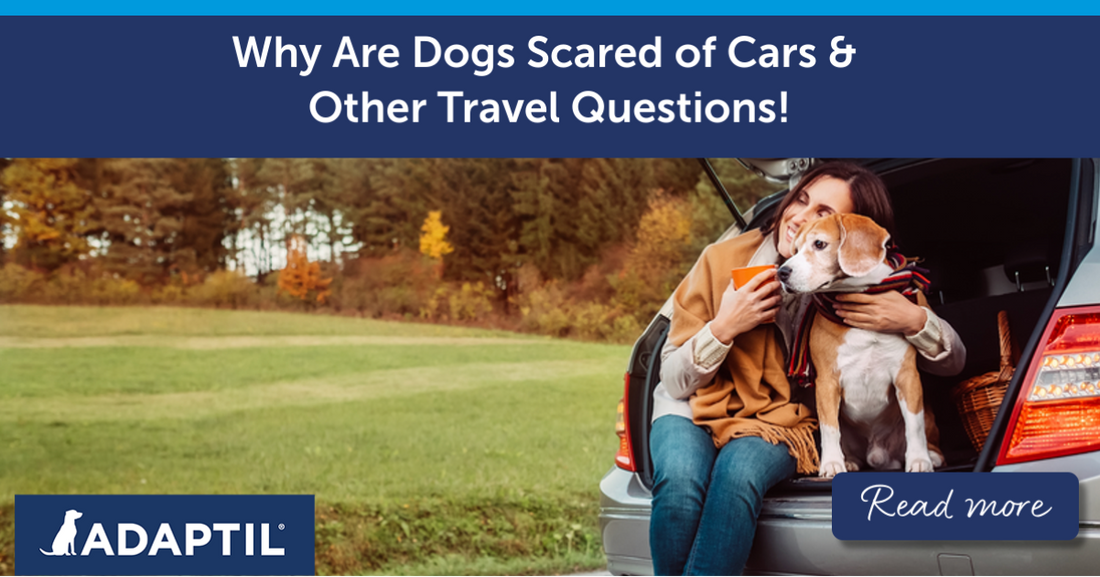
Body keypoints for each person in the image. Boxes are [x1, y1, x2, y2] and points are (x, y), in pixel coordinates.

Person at [648, 161, 966, 576]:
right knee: (679, 485)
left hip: (781, 420)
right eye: (800, 199)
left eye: (822, 214)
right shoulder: (718, 259)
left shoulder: (880, 287)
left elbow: (954, 362)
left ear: (850, 239)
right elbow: (672, 379)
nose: (800, 218)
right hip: (694, 404)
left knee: (738, 473)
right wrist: (724, 326)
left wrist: (913, 321)